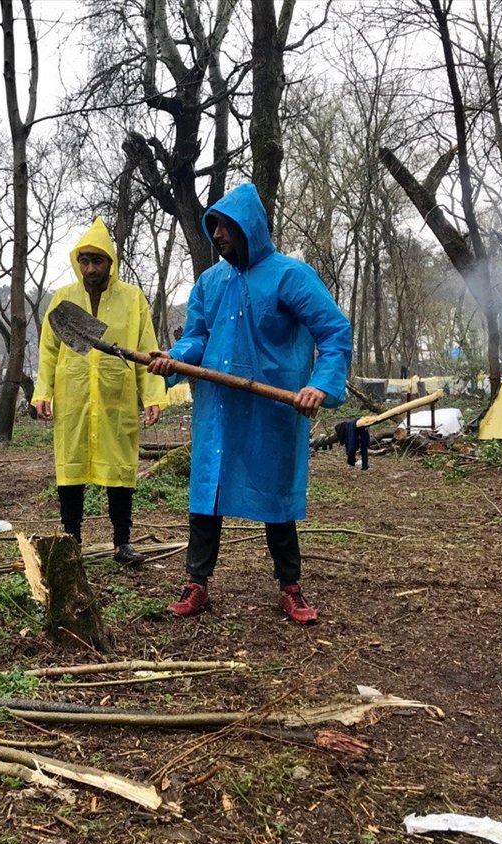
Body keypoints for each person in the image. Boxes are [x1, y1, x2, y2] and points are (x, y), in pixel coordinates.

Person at [147, 183, 351, 624]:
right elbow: (197, 337)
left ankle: (291, 588)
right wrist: (174, 359)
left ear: (250, 228)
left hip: (272, 411)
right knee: (207, 492)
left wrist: (320, 384)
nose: (216, 234)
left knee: (275, 494)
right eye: (213, 226)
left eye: (225, 226)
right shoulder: (210, 282)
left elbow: (333, 332)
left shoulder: (289, 276)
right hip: (218, 409)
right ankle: (196, 584)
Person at [32, 217, 167, 565]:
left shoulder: (132, 298)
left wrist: (152, 395)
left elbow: (145, 347)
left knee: (120, 470)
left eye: (98, 261)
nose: (91, 268)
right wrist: (42, 391)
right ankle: (71, 541)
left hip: (115, 399)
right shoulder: (63, 299)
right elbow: (48, 350)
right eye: (85, 261)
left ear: (111, 262)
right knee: (71, 468)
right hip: (73, 397)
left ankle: (122, 543)